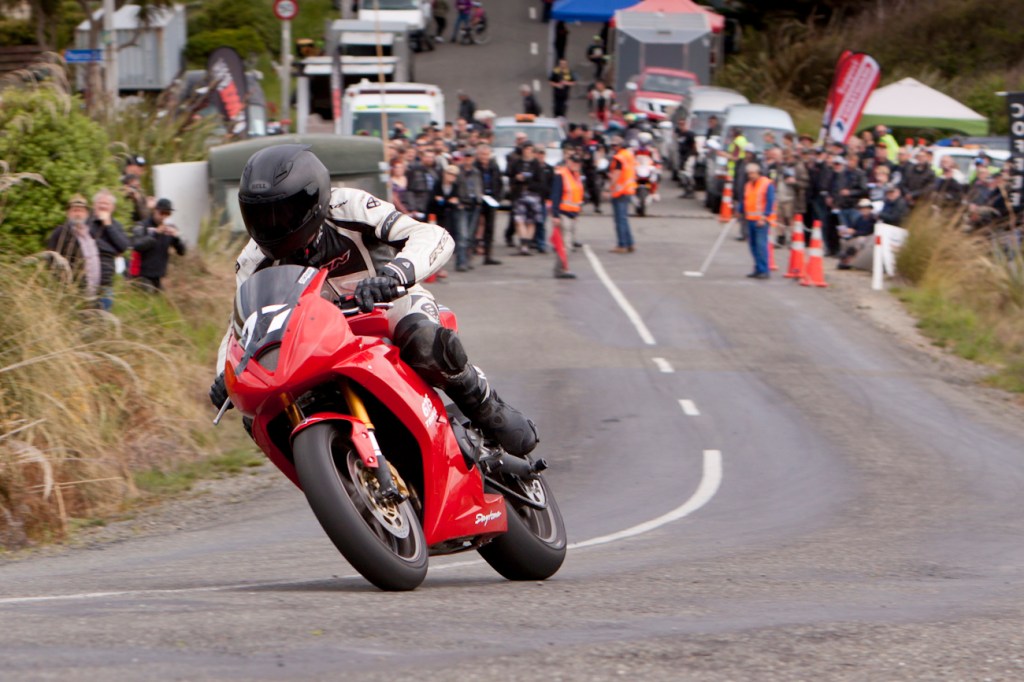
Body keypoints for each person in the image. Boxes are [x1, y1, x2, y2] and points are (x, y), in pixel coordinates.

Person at [207, 144, 538, 458]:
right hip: (318, 338)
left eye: (284, 212)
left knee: (424, 342)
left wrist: (395, 274)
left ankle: (487, 407)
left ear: (314, 199)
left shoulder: (348, 206)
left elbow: (432, 235)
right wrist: (226, 372)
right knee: (260, 412)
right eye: (261, 216)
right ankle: (336, 471)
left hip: (388, 306)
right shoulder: (251, 261)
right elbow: (240, 323)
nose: (272, 225)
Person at [46, 194, 101, 302]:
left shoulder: (90, 234)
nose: (78, 214)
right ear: (68, 213)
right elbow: (50, 259)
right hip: (70, 292)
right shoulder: (61, 233)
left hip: (91, 293)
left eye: (81, 211)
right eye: (74, 210)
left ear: (87, 214)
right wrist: (64, 283)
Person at [130, 198, 185, 291]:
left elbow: (182, 252)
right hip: (142, 275)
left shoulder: (171, 228)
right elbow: (137, 246)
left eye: (168, 214)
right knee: (147, 302)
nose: (164, 216)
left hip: (158, 277)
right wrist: (155, 234)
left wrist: (177, 238)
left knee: (160, 303)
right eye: (162, 213)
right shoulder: (142, 225)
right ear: (155, 211)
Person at [88, 189, 130, 311]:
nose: (102, 205)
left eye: (106, 203)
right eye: (99, 202)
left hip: (106, 281)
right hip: (86, 281)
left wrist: (108, 224)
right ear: (94, 205)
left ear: (113, 208)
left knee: (104, 320)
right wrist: (110, 248)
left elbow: (123, 246)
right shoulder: (87, 223)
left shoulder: (116, 226)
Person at [507, 142, 547, 255]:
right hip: (519, 194)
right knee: (519, 220)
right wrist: (516, 178)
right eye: (526, 149)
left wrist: (528, 182)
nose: (528, 151)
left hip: (533, 195)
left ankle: (526, 245)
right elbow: (509, 176)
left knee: (531, 221)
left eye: (530, 149)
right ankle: (523, 243)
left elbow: (541, 182)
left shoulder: (536, 165)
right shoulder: (516, 163)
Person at [549, 154, 584, 279]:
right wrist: (555, 215)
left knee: (565, 244)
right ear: (568, 162)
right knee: (565, 244)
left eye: (578, 162)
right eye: (574, 162)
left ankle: (561, 268)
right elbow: (556, 195)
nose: (576, 164)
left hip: (572, 214)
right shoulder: (562, 175)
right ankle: (561, 269)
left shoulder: (576, 176)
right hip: (563, 214)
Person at [740, 162, 774, 279]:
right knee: (753, 245)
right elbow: (745, 200)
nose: (751, 176)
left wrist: (764, 216)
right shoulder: (748, 185)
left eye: (753, 173)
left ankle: (764, 270)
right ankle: (758, 268)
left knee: (761, 246)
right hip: (750, 219)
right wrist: (739, 211)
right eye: (749, 173)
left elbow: (770, 201)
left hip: (761, 221)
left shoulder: (766, 184)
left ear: (758, 173)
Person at [473, 144, 503, 265]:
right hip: (478, 200)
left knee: (490, 228)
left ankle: (488, 255)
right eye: (482, 154)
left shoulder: (494, 166)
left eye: (486, 154)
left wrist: (498, 197)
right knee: (474, 227)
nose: (484, 157)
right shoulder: (475, 167)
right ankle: (469, 255)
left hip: (492, 199)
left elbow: (499, 182)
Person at [606, 136, 636, 253]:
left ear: (619, 146)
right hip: (628, 189)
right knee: (624, 219)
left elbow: (616, 175)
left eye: (614, 145)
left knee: (619, 219)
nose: (613, 148)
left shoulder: (619, 158)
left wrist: (609, 189)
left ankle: (622, 245)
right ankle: (629, 243)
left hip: (620, 191)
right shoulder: (628, 155)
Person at [837, 198, 876, 270]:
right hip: (857, 237)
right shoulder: (859, 218)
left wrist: (855, 232)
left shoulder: (873, 219)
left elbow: (868, 231)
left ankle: (852, 260)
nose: (864, 210)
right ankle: (844, 259)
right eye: (862, 208)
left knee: (860, 240)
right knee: (843, 240)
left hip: (867, 239)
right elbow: (853, 228)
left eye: (866, 208)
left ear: (870, 209)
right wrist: (846, 232)